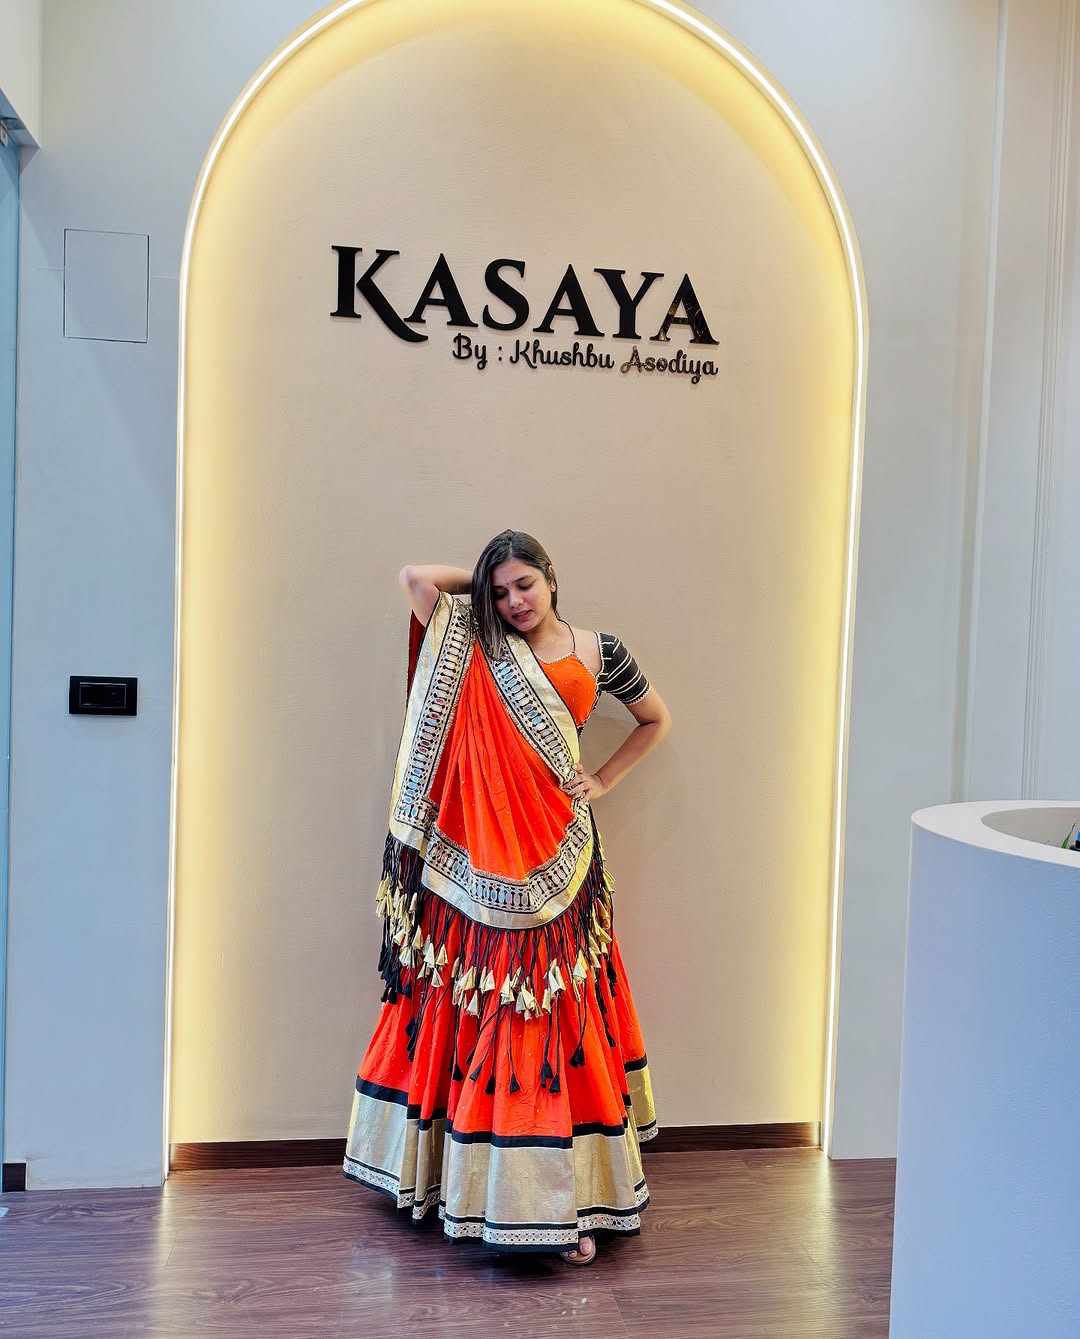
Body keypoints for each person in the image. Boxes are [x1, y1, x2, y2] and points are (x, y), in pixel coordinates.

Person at [343, 530, 671, 1264]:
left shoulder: (600, 651)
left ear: (552, 578)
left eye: (525, 583)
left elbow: (655, 718)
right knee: (477, 1003)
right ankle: (456, 1184)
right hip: (475, 856)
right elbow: (415, 577)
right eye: (500, 591)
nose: (514, 601)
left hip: (561, 855)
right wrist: (484, 577)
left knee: (551, 1012)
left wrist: (603, 779)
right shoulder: (476, 640)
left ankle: (567, 1201)